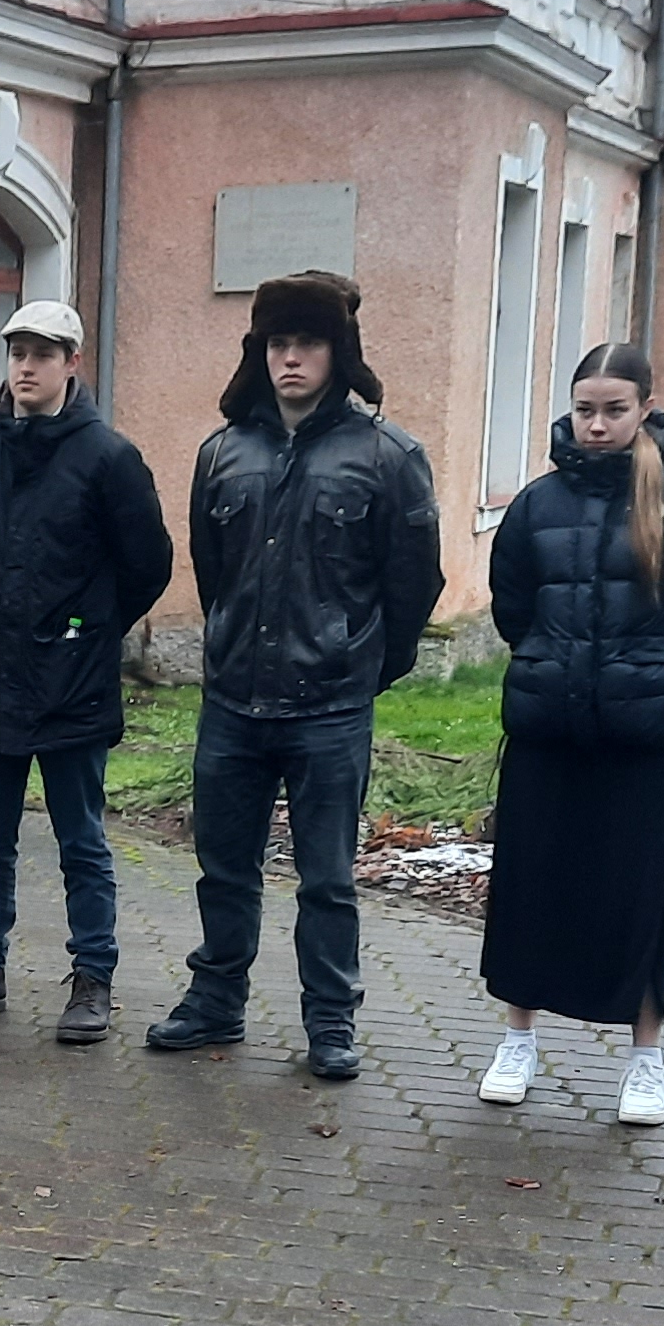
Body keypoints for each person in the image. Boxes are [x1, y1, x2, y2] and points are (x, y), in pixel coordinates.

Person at [147, 270, 442, 1079]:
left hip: (330, 708)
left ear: (339, 352)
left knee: (327, 881)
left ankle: (330, 1021)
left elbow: (414, 583)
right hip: (233, 703)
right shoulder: (222, 454)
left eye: (308, 343)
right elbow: (214, 571)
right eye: (278, 343)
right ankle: (215, 1002)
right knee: (224, 869)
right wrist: (231, 645)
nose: (291, 358)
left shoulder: (387, 456)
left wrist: (363, 660)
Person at [475, 343, 664, 1123]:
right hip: (547, 728)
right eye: (585, 410)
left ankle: (646, 1059)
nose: (597, 425)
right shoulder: (536, 503)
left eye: (614, 410)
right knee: (530, 886)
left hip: (639, 737)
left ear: (645, 409)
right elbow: (513, 604)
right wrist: (553, 666)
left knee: (638, 895)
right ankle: (517, 1040)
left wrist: (658, 675)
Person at [0, 298, 174, 1043]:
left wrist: (90, 629)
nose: (26, 367)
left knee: (80, 841)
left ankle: (93, 977)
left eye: (42, 354)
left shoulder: (109, 459)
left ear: (71, 364)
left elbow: (148, 564)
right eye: (17, 353)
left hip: (71, 684)